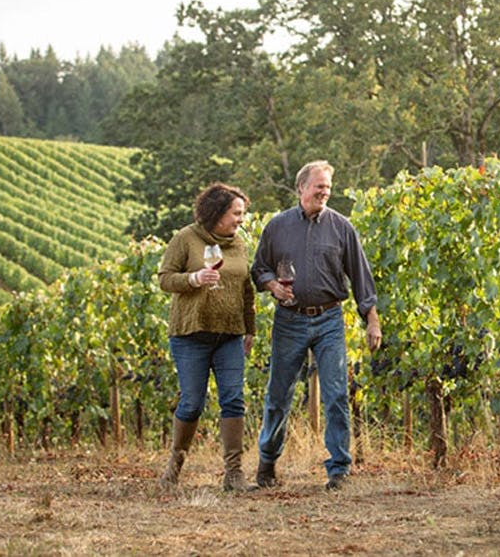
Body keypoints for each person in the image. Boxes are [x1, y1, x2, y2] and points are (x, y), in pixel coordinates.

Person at [252, 160, 382, 491]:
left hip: (329, 319)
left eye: (328, 187)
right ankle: (267, 465)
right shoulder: (277, 227)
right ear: (301, 188)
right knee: (279, 394)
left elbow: (361, 278)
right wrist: (272, 286)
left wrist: (372, 320)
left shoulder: (342, 227)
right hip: (289, 319)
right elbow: (259, 269)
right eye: (319, 186)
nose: (324, 192)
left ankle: (338, 469)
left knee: (336, 393)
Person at [157, 182, 257, 492]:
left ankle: (234, 474)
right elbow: (165, 279)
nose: (241, 219)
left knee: (233, 399)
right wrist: (194, 278)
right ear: (217, 212)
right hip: (191, 334)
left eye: (242, 213)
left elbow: (246, 289)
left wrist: (250, 329)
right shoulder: (186, 238)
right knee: (192, 403)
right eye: (236, 213)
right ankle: (174, 468)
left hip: (229, 334)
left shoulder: (238, 244)